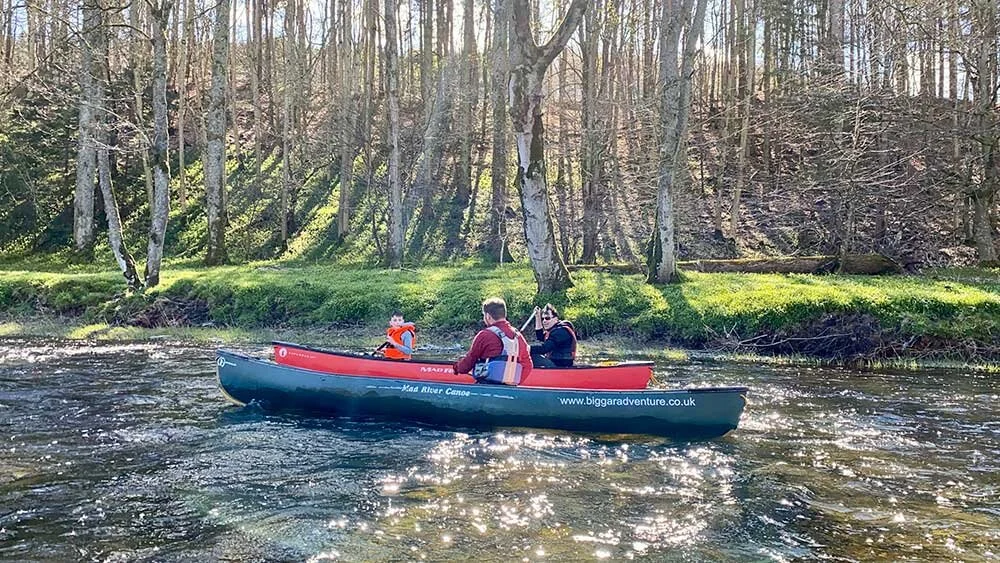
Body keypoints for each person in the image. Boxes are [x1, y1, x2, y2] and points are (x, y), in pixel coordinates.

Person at [453, 297, 532, 384]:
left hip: (486, 386)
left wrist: (457, 367)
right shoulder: (518, 337)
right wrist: (515, 383)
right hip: (510, 388)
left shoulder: (485, 335)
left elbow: (468, 364)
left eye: (484, 316)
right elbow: (528, 365)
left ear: (488, 316)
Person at [530, 303, 577, 368]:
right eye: (542, 318)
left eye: (547, 318)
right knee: (531, 353)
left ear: (556, 319)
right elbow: (540, 336)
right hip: (555, 363)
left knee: (532, 357)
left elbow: (544, 348)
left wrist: (526, 348)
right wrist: (537, 316)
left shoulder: (561, 331)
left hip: (560, 367)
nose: (544, 321)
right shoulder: (554, 330)